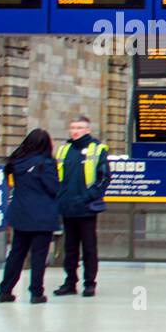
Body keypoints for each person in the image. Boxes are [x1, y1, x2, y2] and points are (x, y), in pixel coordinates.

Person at [0, 130, 61, 304]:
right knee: (38, 255)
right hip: (42, 215)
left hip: (20, 214)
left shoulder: (17, 162)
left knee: (16, 253)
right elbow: (54, 188)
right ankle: (36, 292)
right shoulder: (45, 163)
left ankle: (5, 290)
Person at [53, 116, 110, 298]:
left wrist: (89, 196)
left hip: (86, 208)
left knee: (89, 247)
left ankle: (89, 283)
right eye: (72, 127)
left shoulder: (97, 149)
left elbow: (104, 177)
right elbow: (57, 176)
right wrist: (60, 197)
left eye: (79, 127)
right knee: (69, 248)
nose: (75, 130)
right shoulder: (64, 151)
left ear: (88, 130)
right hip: (68, 206)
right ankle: (70, 282)